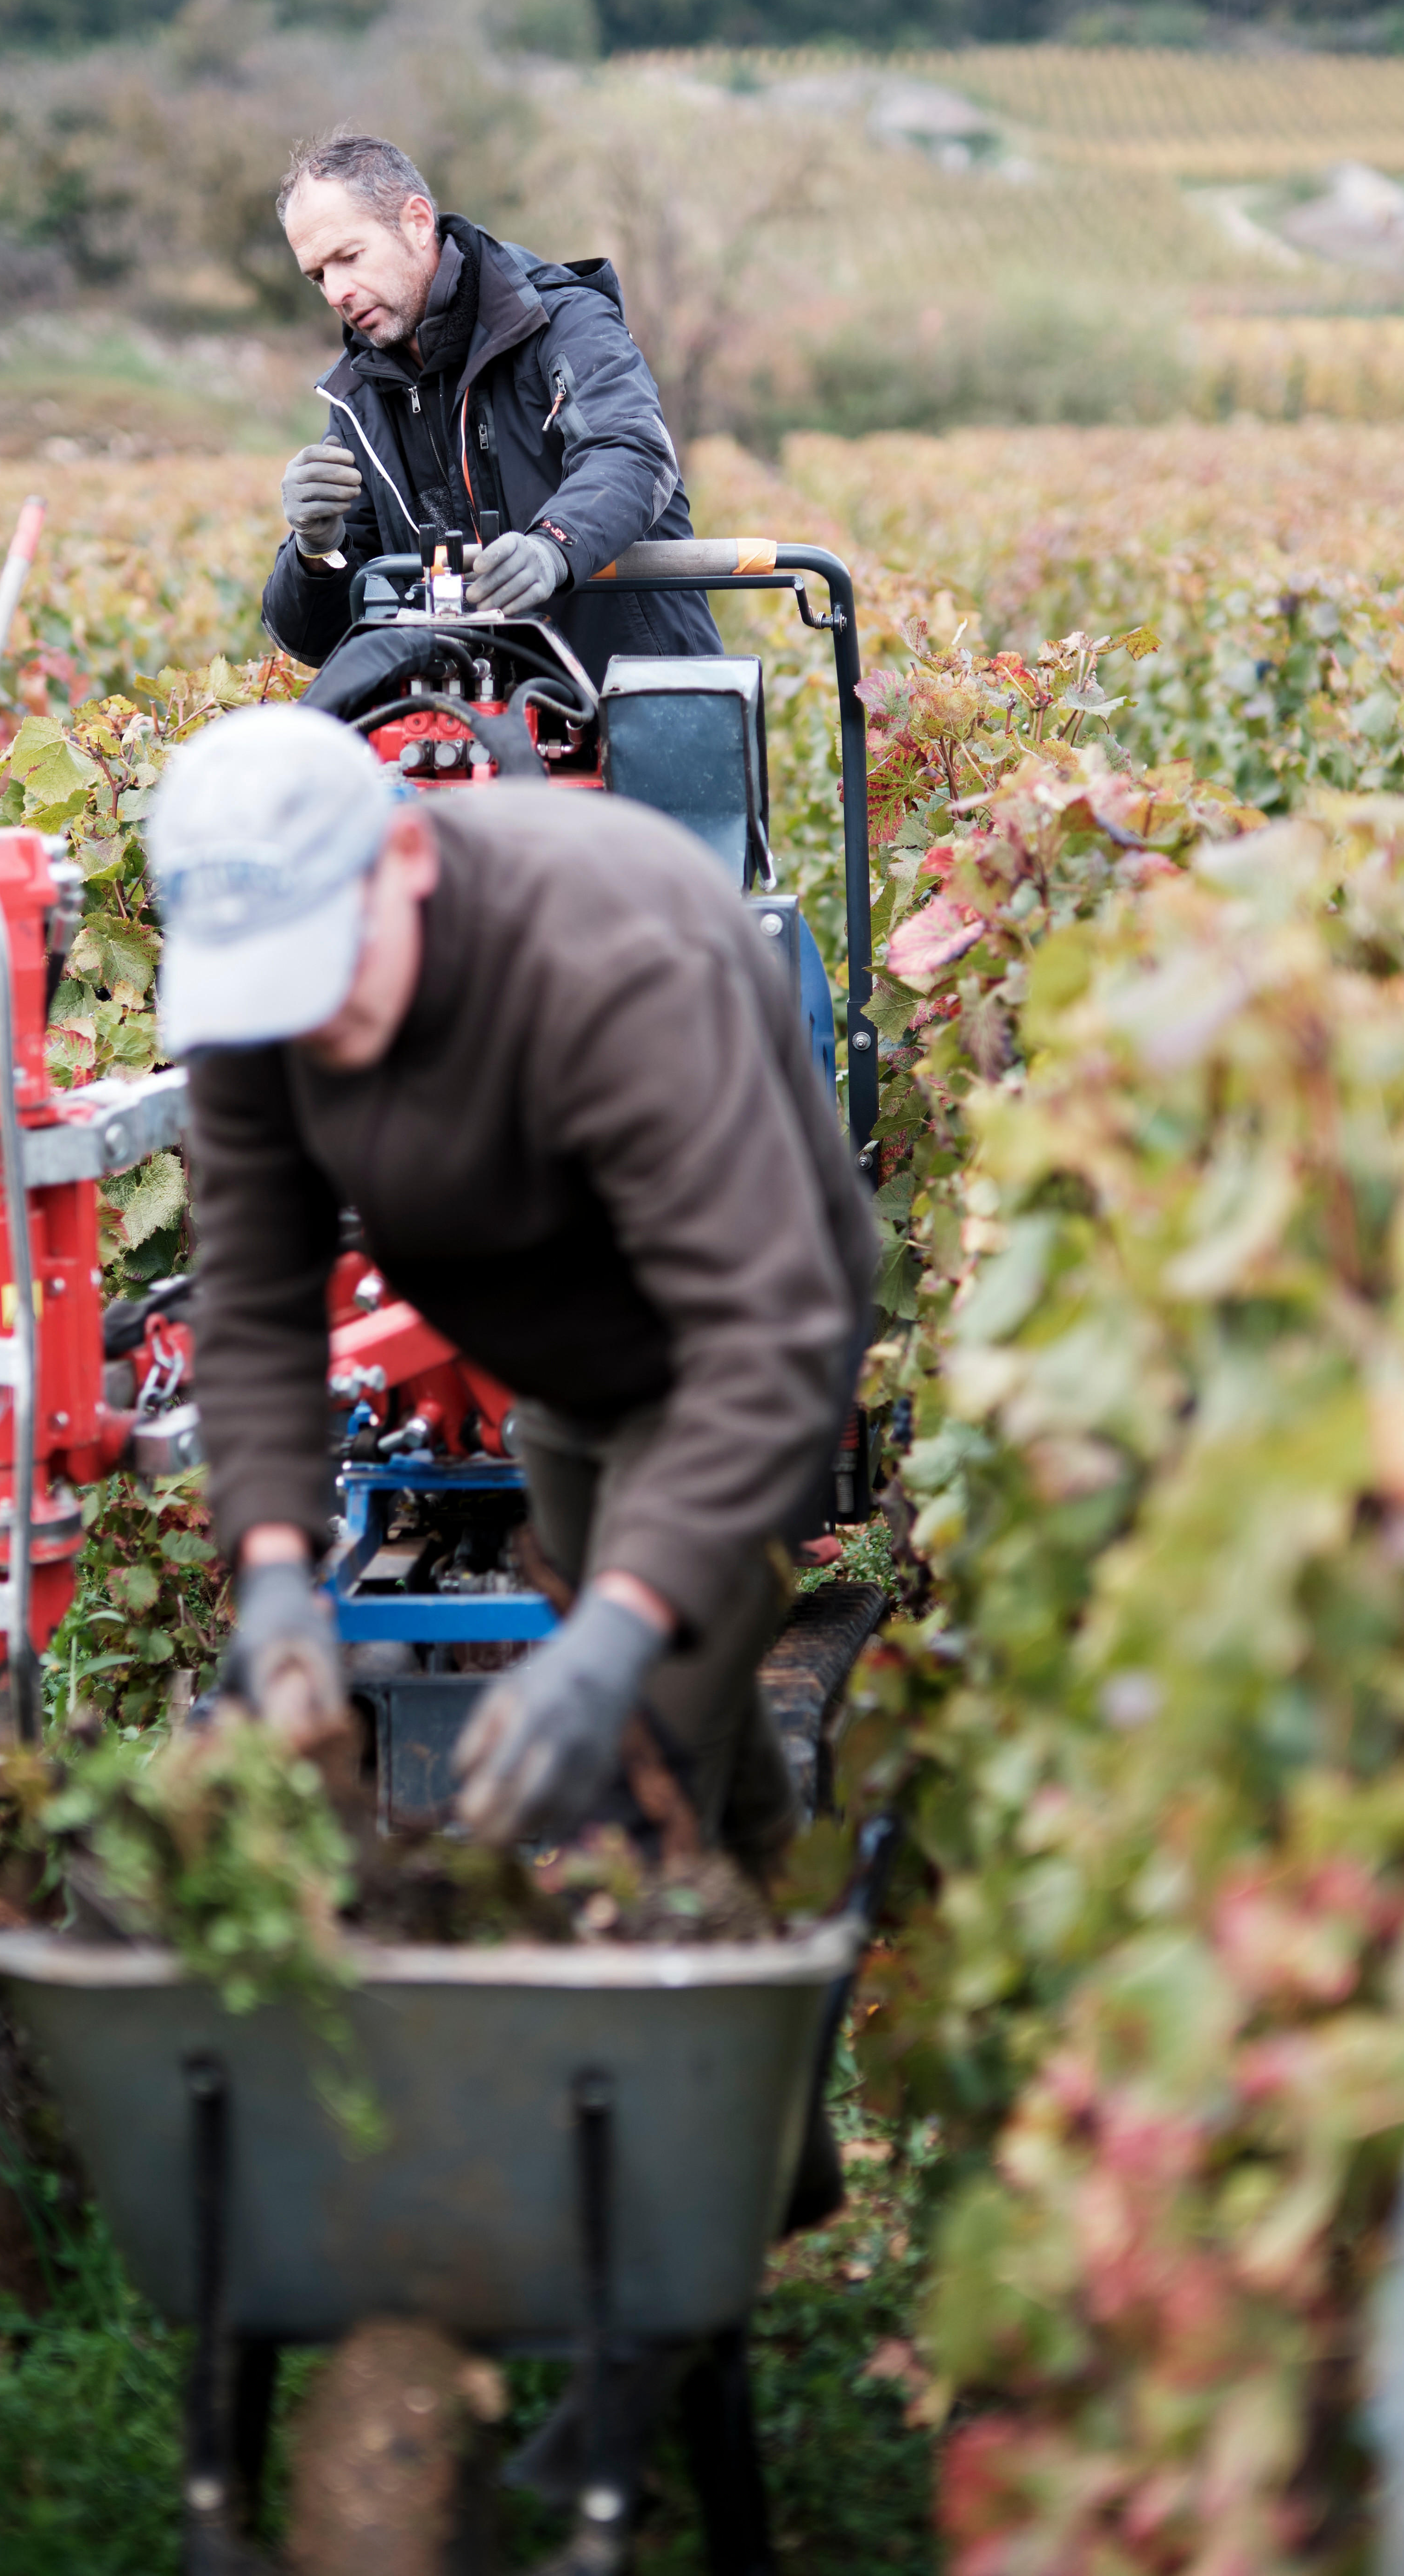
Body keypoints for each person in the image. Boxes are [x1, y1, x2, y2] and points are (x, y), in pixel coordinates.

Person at [153, 702, 874, 1876]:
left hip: (728, 1343)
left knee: (641, 1744)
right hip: (556, 1361)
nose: (310, 1019)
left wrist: (609, 1642)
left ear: (407, 858)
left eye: (324, 967)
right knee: (673, 1689)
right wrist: (277, 1568)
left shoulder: (613, 963)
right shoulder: (265, 998)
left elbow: (761, 1327)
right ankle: (779, 1950)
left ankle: (695, 1996)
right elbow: (255, 1293)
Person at [262, 129, 726, 687]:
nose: (337, 291)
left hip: (638, 697)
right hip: (471, 727)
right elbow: (318, 640)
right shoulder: (357, 398)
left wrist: (552, 548)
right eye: (318, 276)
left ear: (416, 222)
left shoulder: (563, 321)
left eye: (349, 257)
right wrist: (316, 552)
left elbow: (634, 453)